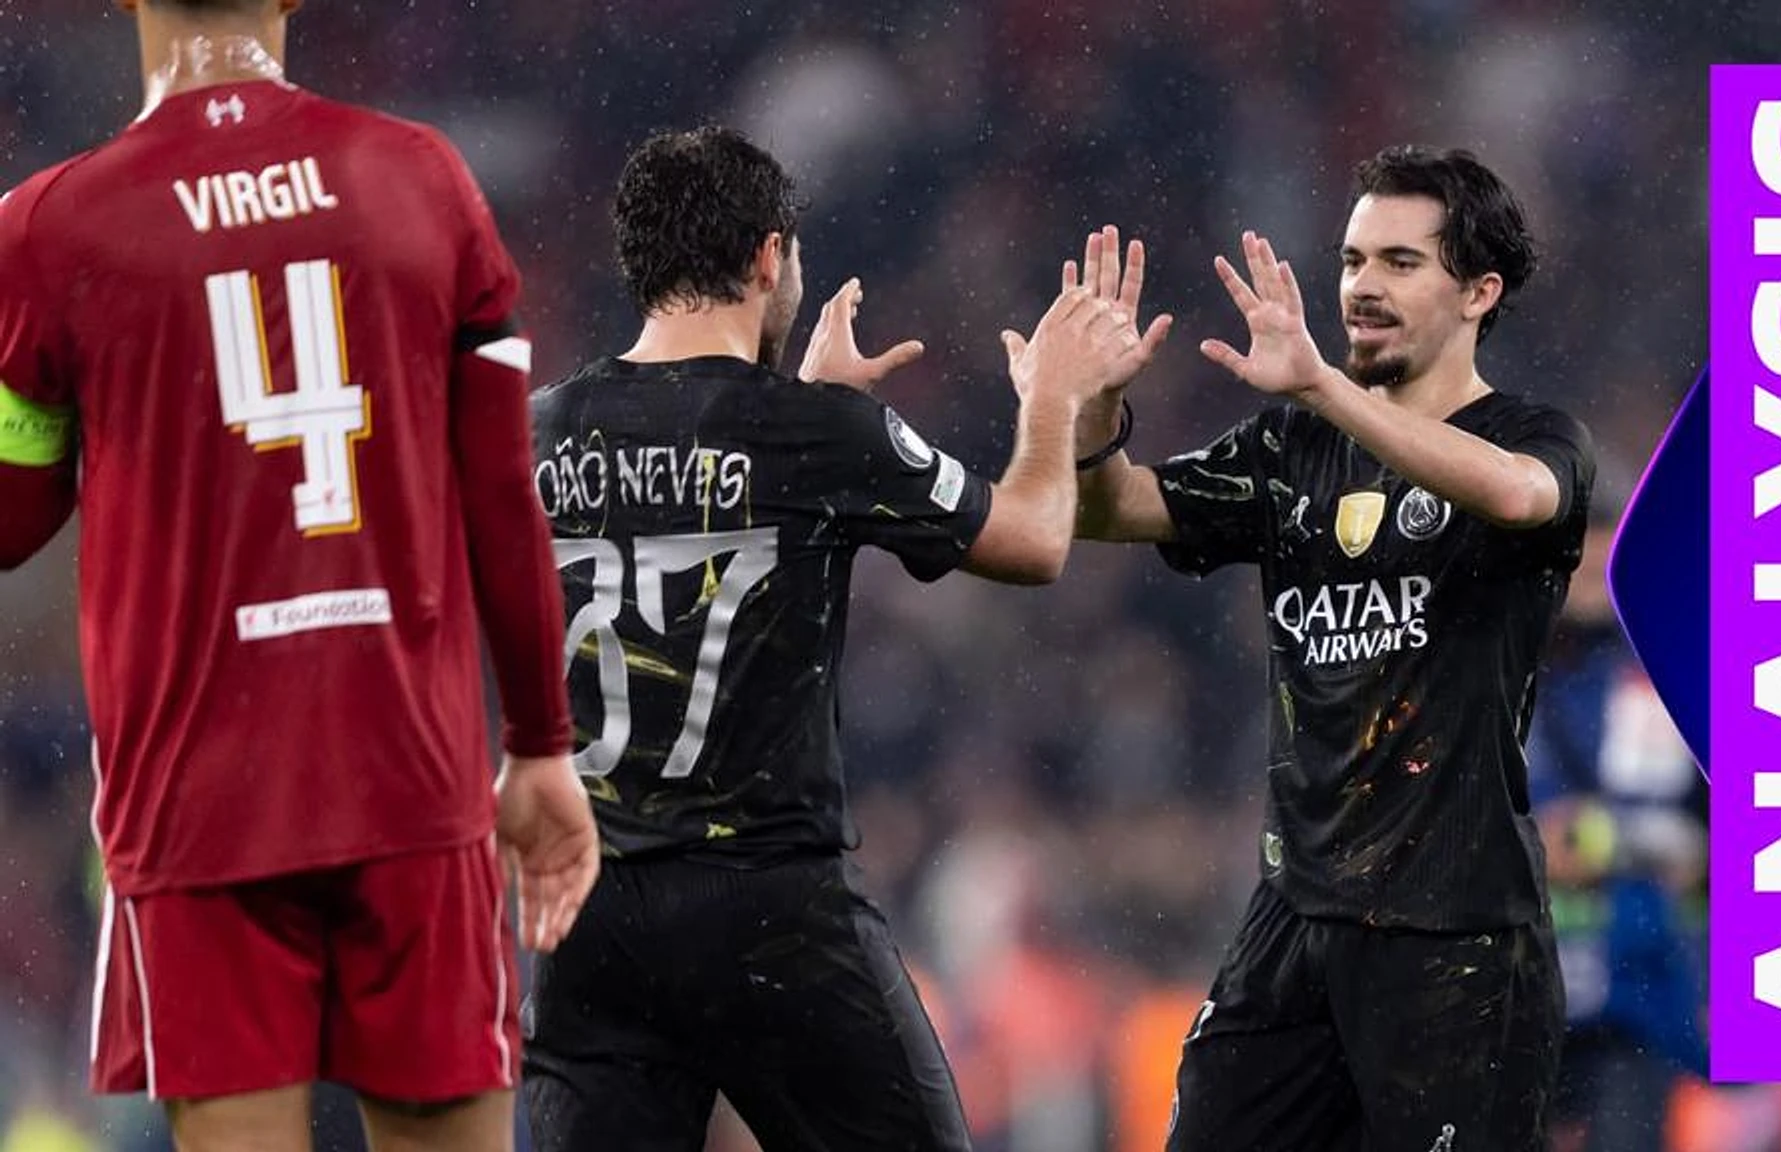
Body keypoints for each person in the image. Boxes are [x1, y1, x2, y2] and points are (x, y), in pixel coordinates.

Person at [0, 2, 600, 1149]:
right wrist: (538, 743)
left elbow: (11, 517)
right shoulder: (420, 177)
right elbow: (500, 493)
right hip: (409, 780)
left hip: (198, 806)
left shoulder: (48, 228)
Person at [519, 125, 1155, 1152]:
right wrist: (1052, 402)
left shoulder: (534, 431)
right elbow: (1036, 541)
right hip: (768, 911)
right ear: (769, 257)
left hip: (590, 913)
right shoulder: (811, 434)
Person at [1072, 145, 1595, 1151]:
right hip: (1295, 918)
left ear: (1479, 292)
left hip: (1455, 933)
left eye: (1400, 262)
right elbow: (1110, 509)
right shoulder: (1289, 450)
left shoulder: (1535, 436)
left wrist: (1320, 387)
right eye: (1354, 260)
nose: (1362, 286)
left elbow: (1514, 495)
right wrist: (1095, 408)